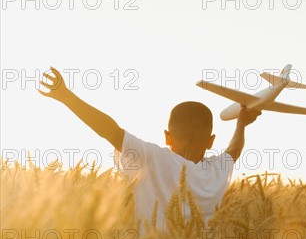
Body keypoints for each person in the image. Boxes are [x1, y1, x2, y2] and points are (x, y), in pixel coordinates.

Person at [38, 66, 261, 230]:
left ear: (167, 136)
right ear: (211, 141)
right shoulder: (217, 170)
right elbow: (234, 150)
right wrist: (241, 124)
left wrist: (66, 97)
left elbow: (110, 131)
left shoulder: (152, 158)